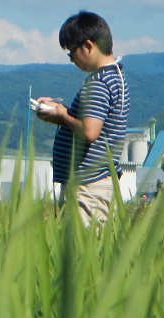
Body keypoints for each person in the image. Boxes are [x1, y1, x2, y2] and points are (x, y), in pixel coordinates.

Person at [35, 11, 129, 228]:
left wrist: (61, 115)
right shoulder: (114, 76)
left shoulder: (98, 83)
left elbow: (89, 132)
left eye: (71, 53)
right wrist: (60, 114)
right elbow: (93, 123)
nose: (72, 60)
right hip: (98, 183)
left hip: (87, 187)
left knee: (79, 253)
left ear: (88, 46)